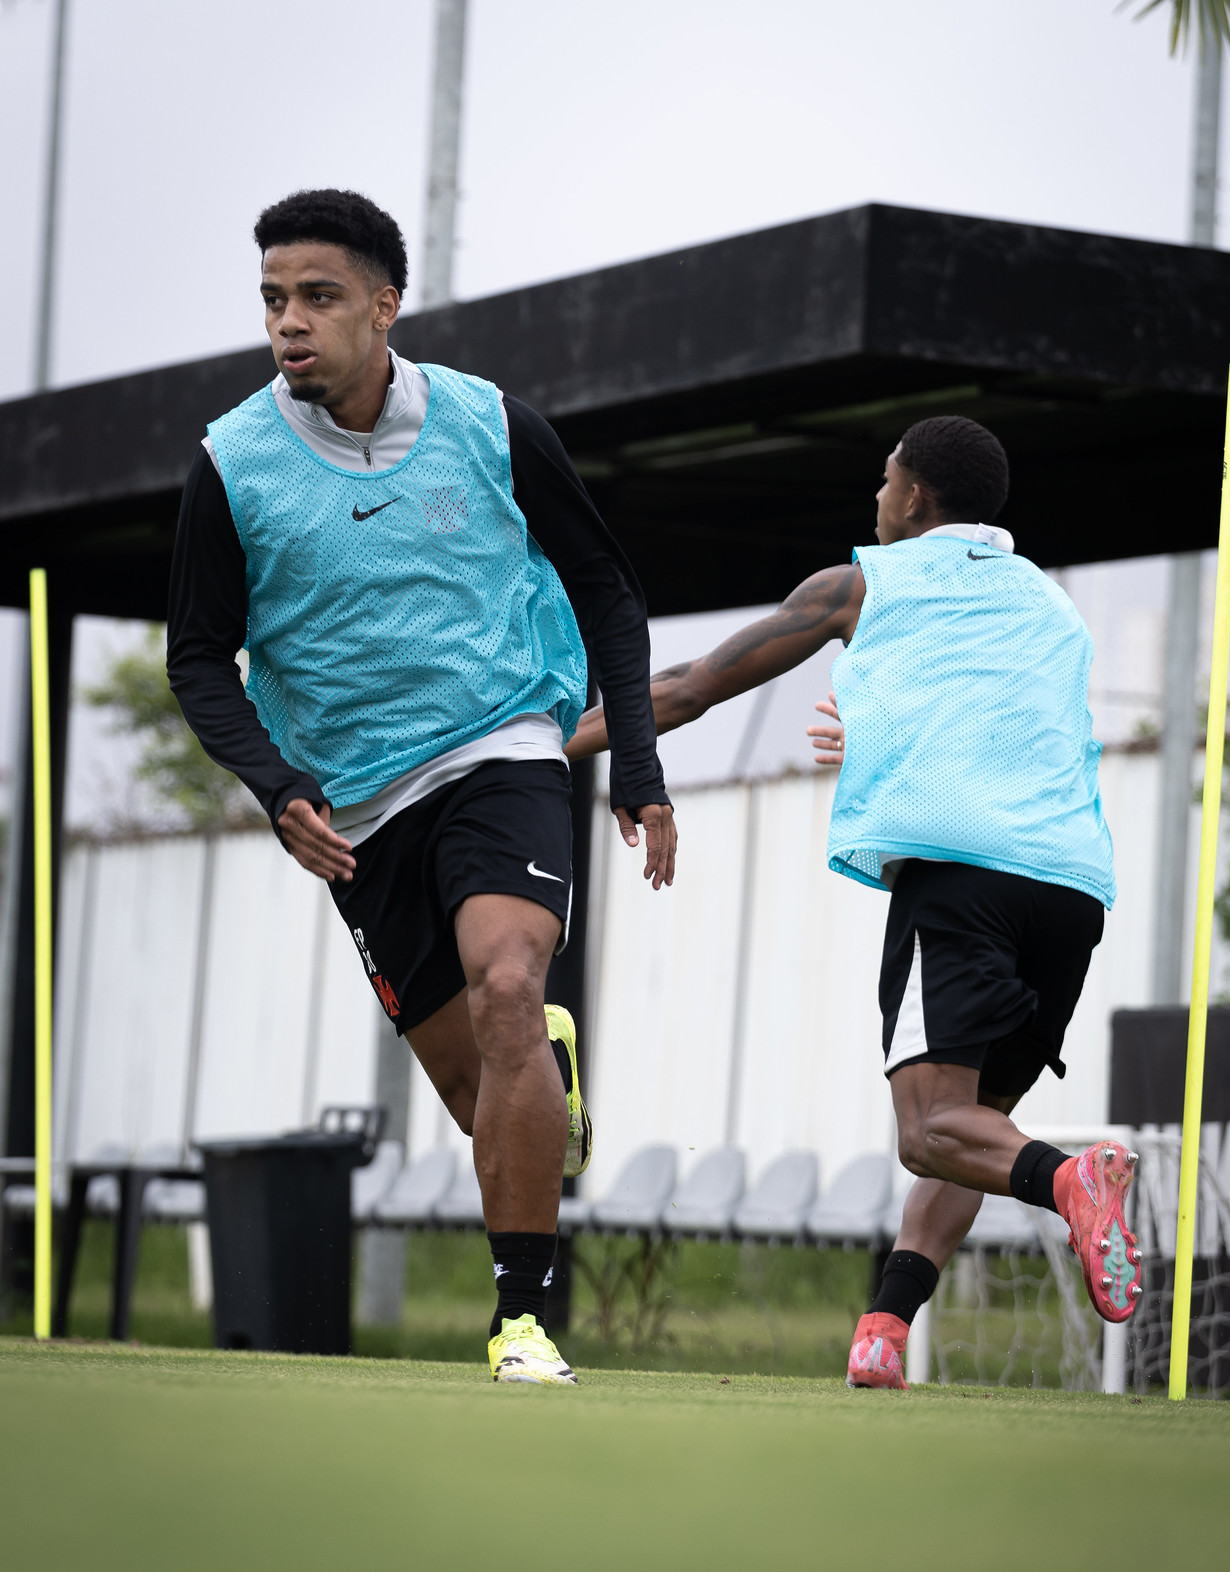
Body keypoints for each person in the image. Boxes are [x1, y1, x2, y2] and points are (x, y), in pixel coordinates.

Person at [169, 188, 676, 1386]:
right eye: (273, 300)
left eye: (318, 297)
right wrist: (275, 784)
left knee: (507, 983)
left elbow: (605, 587)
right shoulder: (231, 464)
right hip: (357, 806)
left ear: (384, 306)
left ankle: (520, 1322)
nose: (289, 322)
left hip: (502, 744)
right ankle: (541, 1080)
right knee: (477, 1087)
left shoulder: (491, 423)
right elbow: (196, 658)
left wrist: (638, 761)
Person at [566, 414, 1142, 1388]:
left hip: (964, 882)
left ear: (912, 496)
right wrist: (874, 737)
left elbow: (691, 687)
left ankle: (1070, 1180)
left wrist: (544, 748)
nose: (875, 498)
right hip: (1071, 891)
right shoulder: (1050, 607)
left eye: (884, 480)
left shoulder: (862, 583)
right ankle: (883, 1328)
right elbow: (997, 728)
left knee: (930, 1131)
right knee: (971, 1134)